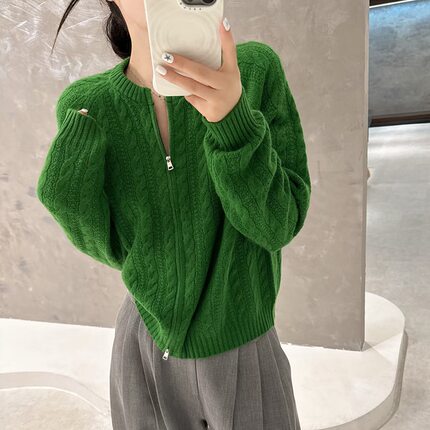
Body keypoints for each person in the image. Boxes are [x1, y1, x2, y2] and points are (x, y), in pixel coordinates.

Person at [37, 0, 311, 428]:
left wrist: (233, 122)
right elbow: (119, 248)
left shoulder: (255, 72)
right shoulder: (90, 105)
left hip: (243, 342)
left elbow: (277, 224)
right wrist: (67, 197)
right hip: (142, 344)